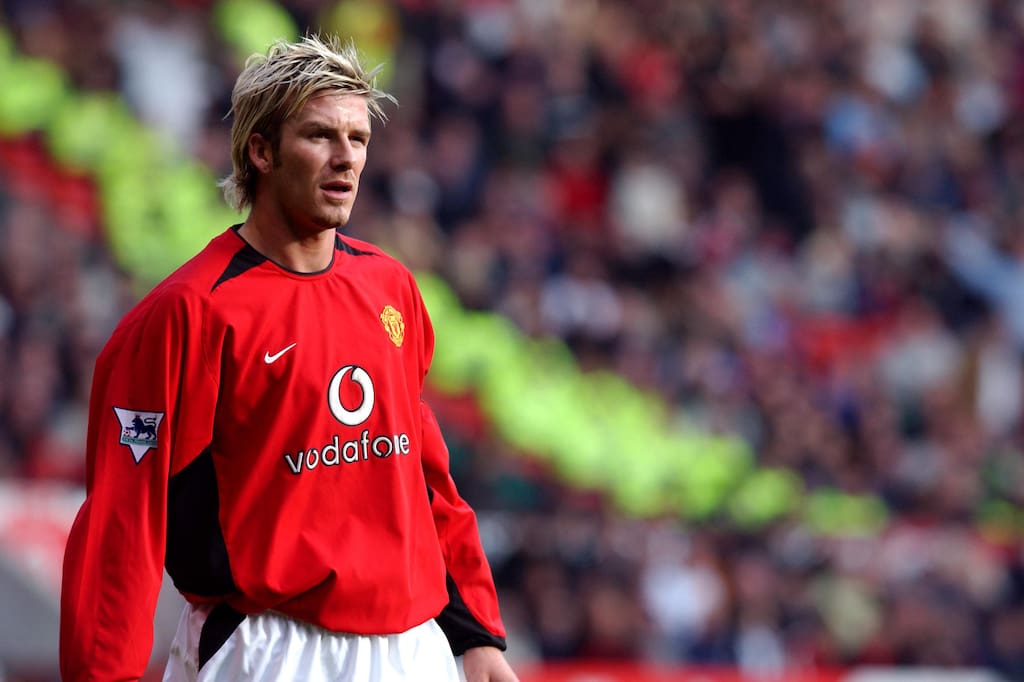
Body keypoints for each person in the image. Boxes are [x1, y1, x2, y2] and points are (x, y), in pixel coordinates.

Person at [60, 34, 519, 682]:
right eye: (320, 136)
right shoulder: (187, 314)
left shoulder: (391, 287)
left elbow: (423, 472)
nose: (346, 158)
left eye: (358, 138)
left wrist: (475, 632)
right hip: (269, 648)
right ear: (261, 151)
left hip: (413, 647)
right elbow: (122, 521)